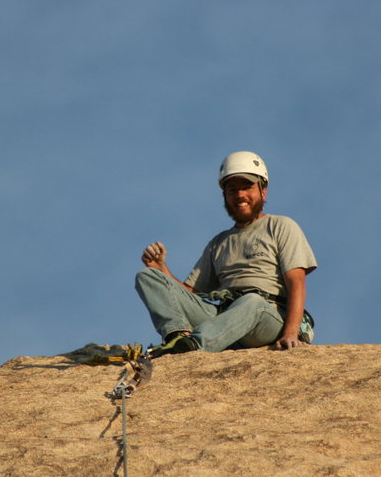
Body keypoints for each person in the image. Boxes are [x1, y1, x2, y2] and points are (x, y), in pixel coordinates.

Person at [135, 151, 317, 358]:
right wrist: (161, 269)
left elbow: (297, 282)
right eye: (232, 190)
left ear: (263, 191)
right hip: (225, 319)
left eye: (247, 187)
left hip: (266, 317)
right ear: (225, 196)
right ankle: (177, 336)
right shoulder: (218, 243)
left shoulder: (281, 226)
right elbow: (189, 294)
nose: (240, 195)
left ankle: (193, 346)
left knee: (252, 302)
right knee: (147, 277)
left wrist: (291, 333)